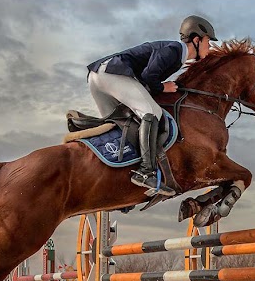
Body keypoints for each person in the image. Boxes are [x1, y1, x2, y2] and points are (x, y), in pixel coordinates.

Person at [86, 15, 218, 196]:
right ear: (196, 40)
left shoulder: (174, 55)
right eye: (208, 41)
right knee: (152, 112)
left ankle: (116, 181)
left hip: (97, 77)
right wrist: (165, 87)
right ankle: (145, 171)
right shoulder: (174, 50)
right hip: (112, 74)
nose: (209, 47)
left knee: (118, 128)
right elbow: (149, 77)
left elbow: (146, 81)